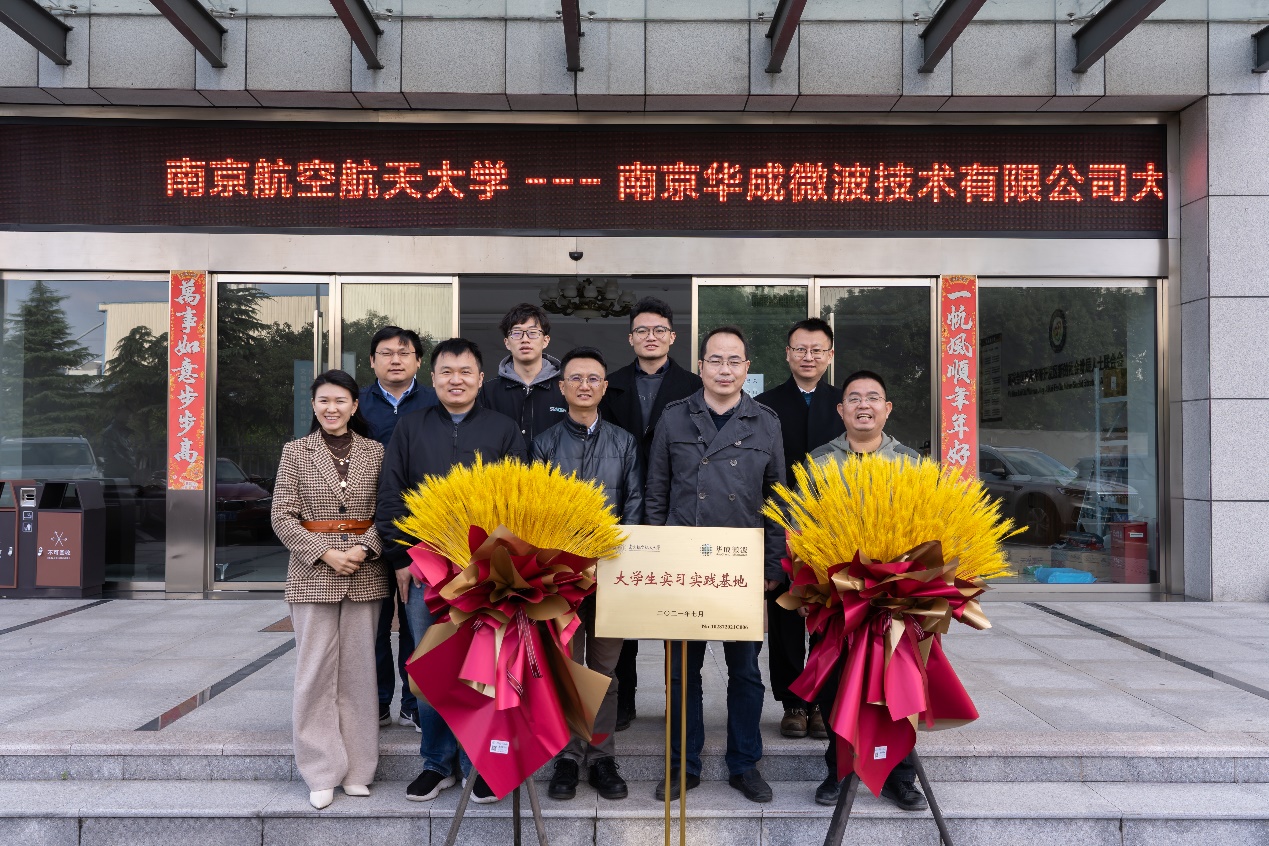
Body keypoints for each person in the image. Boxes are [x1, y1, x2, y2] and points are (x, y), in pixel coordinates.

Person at [376, 338, 526, 805]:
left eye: (465, 372)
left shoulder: (504, 429)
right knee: (431, 666)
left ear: (481, 379)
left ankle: (481, 761)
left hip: (486, 574)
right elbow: (391, 494)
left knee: (484, 670)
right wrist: (401, 557)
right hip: (427, 571)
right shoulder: (410, 427)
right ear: (433, 377)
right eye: (446, 372)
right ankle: (436, 762)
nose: (455, 380)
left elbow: (520, 501)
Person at [644, 326, 785, 804]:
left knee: (745, 672)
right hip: (684, 564)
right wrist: (658, 557)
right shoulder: (674, 417)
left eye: (734, 361)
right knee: (682, 672)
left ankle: (745, 764)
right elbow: (657, 493)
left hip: (740, 569)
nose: (725, 369)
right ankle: (682, 765)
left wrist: (771, 566)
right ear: (701, 366)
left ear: (747, 368)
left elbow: (776, 501)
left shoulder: (765, 421)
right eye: (716, 360)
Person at [807, 370, 926, 812]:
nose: (864, 405)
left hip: (895, 600)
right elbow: (802, 528)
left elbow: (928, 531)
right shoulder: (819, 462)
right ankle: (838, 768)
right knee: (834, 684)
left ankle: (901, 776)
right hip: (837, 597)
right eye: (854, 398)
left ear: (886, 408)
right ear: (841, 410)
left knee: (899, 686)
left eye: (873, 397)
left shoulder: (911, 463)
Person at [271, 369, 389, 811]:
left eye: (340, 400)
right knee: (314, 672)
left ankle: (358, 769)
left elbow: (387, 508)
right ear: (313, 405)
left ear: (355, 406)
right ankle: (320, 770)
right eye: (324, 400)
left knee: (359, 673)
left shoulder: (375, 451)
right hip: (312, 573)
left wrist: (363, 547)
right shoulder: (295, 451)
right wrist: (324, 552)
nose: (332, 408)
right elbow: (281, 515)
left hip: (364, 570)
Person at [532, 347, 642, 803]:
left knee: (604, 670)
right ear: (561, 387)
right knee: (565, 667)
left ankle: (600, 757)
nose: (584, 385)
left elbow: (634, 506)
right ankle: (565, 757)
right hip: (560, 577)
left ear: (604, 387)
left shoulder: (625, 442)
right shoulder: (544, 443)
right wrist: (564, 563)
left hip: (611, 573)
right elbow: (535, 511)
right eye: (575, 378)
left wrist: (610, 558)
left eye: (593, 378)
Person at [600, 296, 702, 731]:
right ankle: (623, 701)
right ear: (631, 338)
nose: (651, 337)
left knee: (675, 607)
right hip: (618, 505)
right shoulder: (611, 384)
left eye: (659, 330)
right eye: (642, 330)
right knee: (622, 606)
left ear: (672, 336)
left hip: (675, 506)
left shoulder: (694, 386)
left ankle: (676, 701)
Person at [755, 318, 844, 741]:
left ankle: (824, 701)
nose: (809, 357)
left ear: (829, 355)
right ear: (788, 354)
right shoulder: (765, 404)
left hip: (833, 527)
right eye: (800, 349)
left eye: (817, 350)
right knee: (784, 612)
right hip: (779, 522)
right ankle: (792, 702)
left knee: (829, 614)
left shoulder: (844, 403)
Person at [359, 326, 439, 735]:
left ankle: (413, 703)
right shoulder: (355, 404)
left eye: (404, 353)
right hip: (366, 531)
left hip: (420, 530)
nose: (395, 360)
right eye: (386, 353)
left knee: (415, 621)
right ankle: (376, 702)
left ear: (418, 361)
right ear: (372, 361)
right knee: (373, 622)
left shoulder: (434, 403)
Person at [479, 302, 568, 451]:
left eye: (533, 332)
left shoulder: (565, 388)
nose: (525, 339)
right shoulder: (488, 391)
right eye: (516, 333)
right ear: (507, 343)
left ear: (545, 340)